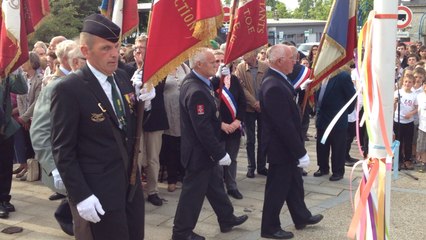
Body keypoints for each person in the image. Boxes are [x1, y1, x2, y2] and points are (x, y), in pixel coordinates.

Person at [50, 14, 145, 239]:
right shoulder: (69, 89)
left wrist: (144, 106)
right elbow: (63, 150)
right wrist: (81, 195)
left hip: (130, 186)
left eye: (116, 46)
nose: (114, 54)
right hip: (99, 191)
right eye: (105, 48)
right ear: (85, 51)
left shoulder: (122, 78)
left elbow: (128, 131)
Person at [172, 47, 248, 240]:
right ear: (199, 65)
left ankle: (226, 218)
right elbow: (202, 128)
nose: (217, 64)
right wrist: (219, 152)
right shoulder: (196, 89)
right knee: (192, 194)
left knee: (214, 185)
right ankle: (181, 232)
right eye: (212, 62)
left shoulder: (201, 82)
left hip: (205, 152)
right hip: (199, 152)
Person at [259, 44, 323, 239]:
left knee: (294, 184)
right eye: (291, 59)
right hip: (281, 147)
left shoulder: (279, 80)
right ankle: (269, 228)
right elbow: (283, 124)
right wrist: (300, 152)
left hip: (285, 146)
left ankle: (301, 215)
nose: (295, 62)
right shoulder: (273, 85)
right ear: (279, 62)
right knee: (277, 189)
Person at [30, 40, 91, 237]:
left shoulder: (83, 83)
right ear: (68, 60)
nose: (87, 61)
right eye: (82, 58)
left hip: (88, 165)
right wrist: (53, 168)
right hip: (70, 166)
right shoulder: (57, 87)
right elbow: (39, 131)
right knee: (84, 225)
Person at [211, 50, 246, 199]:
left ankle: (232, 186)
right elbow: (209, 107)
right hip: (218, 127)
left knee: (232, 158)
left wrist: (238, 121)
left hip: (234, 127)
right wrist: (221, 124)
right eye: (216, 61)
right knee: (218, 160)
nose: (220, 64)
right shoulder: (210, 82)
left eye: (222, 61)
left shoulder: (235, 80)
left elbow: (242, 102)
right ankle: (218, 188)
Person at [314, 65, 356, 181]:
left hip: (337, 118)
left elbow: (351, 97)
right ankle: (323, 167)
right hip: (322, 117)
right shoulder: (320, 76)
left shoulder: (342, 77)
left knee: (338, 146)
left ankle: (338, 171)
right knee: (321, 144)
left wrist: (345, 112)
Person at [235, 49, 269, 178]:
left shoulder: (265, 67)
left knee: (263, 137)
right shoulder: (240, 68)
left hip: (263, 107)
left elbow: (267, 85)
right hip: (249, 108)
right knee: (250, 140)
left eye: (246, 54)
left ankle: (262, 166)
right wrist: (254, 102)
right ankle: (251, 167)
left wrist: (261, 102)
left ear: (254, 56)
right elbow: (241, 87)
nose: (243, 56)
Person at [0, 70, 27, 219]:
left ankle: (4, 197)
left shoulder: (6, 75)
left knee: (5, 164)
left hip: (7, 128)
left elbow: (23, 89)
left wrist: (16, 71)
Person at [394, 74, 418, 170]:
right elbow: (393, 108)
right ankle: (398, 159)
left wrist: (411, 113)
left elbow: (417, 108)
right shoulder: (397, 92)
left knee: (408, 141)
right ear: (403, 82)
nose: (407, 83)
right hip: (398, 121)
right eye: (406, 81)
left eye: (410, 82)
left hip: (409, 122)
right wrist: (394, 102)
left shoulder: (414, 95)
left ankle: (407, 160)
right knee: (398, 141)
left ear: (413, 83)